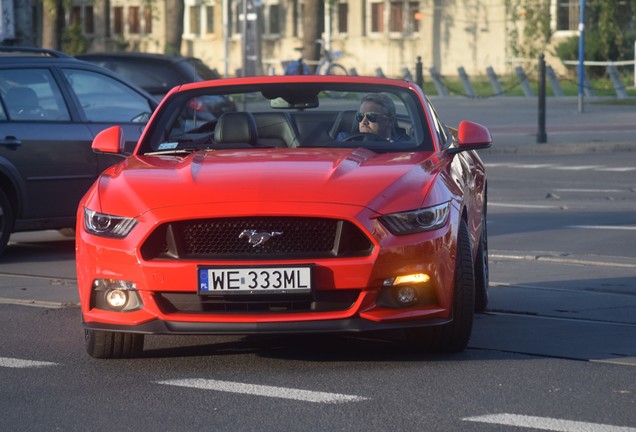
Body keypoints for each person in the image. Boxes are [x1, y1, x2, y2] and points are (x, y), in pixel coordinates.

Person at [337, 93, 408, 142]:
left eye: (371, 117)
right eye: (360, 116)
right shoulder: (344, 139)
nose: (363, 122)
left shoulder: (403, 146)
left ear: (390, 121)